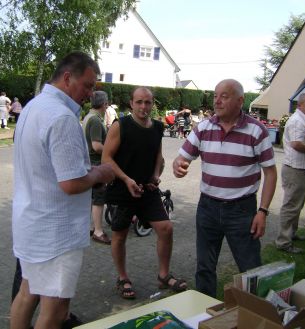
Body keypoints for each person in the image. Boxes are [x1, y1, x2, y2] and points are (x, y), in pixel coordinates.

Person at [10, 51, 115, 329]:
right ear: (67, 77)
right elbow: (71, 182)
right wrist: (101, 173)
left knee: (27, 292)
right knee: (55, 309)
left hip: (32, 223)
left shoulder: (34, 106)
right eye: (88, 85)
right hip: (56, 232)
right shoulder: (62, 118)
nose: (91, 94)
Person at [173, 79, 277, 297]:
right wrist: (178, 166)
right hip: (208, 207)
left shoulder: (256, 131)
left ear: (240, 101)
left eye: (224, 96)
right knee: (204, 268)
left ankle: (256, 315)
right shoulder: (203, 128)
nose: (217, 101)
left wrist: (263, 211)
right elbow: (181, 158)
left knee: (250, 269)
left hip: (242, 211)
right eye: (215, 95)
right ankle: (204, 313)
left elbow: (270, 173)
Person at [102, 87, 187, 299]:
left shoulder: (157, 127)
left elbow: (158, 156)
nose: (143, 107)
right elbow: (106, 158)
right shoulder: (120, 126)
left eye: (147, 102)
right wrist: (126, 179)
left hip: (147, 189)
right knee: (120, 235)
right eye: (139, 102)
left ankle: (164, 275)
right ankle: (123, 277)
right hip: (123, 189)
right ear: (131, 103)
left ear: (152, 104)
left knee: (166, 228)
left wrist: (155, 176)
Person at [275, 93, 305, 254]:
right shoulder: (297, 121)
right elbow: (296, 144)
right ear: (299, 105)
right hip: (295, 169)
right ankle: (283, 241)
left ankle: (291, 234)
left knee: (297, 204)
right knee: (291, 205)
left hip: (300, 169)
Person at [82, 90, 111, 244]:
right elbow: (96, 145)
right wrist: (111, 151)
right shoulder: (95, 120)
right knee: (98, 199)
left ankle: (92, 227)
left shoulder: (88, 116)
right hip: (96, 164)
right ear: (104, 104)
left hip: (88, 163)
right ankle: (98, 231)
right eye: (107, 104)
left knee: (92, 198)